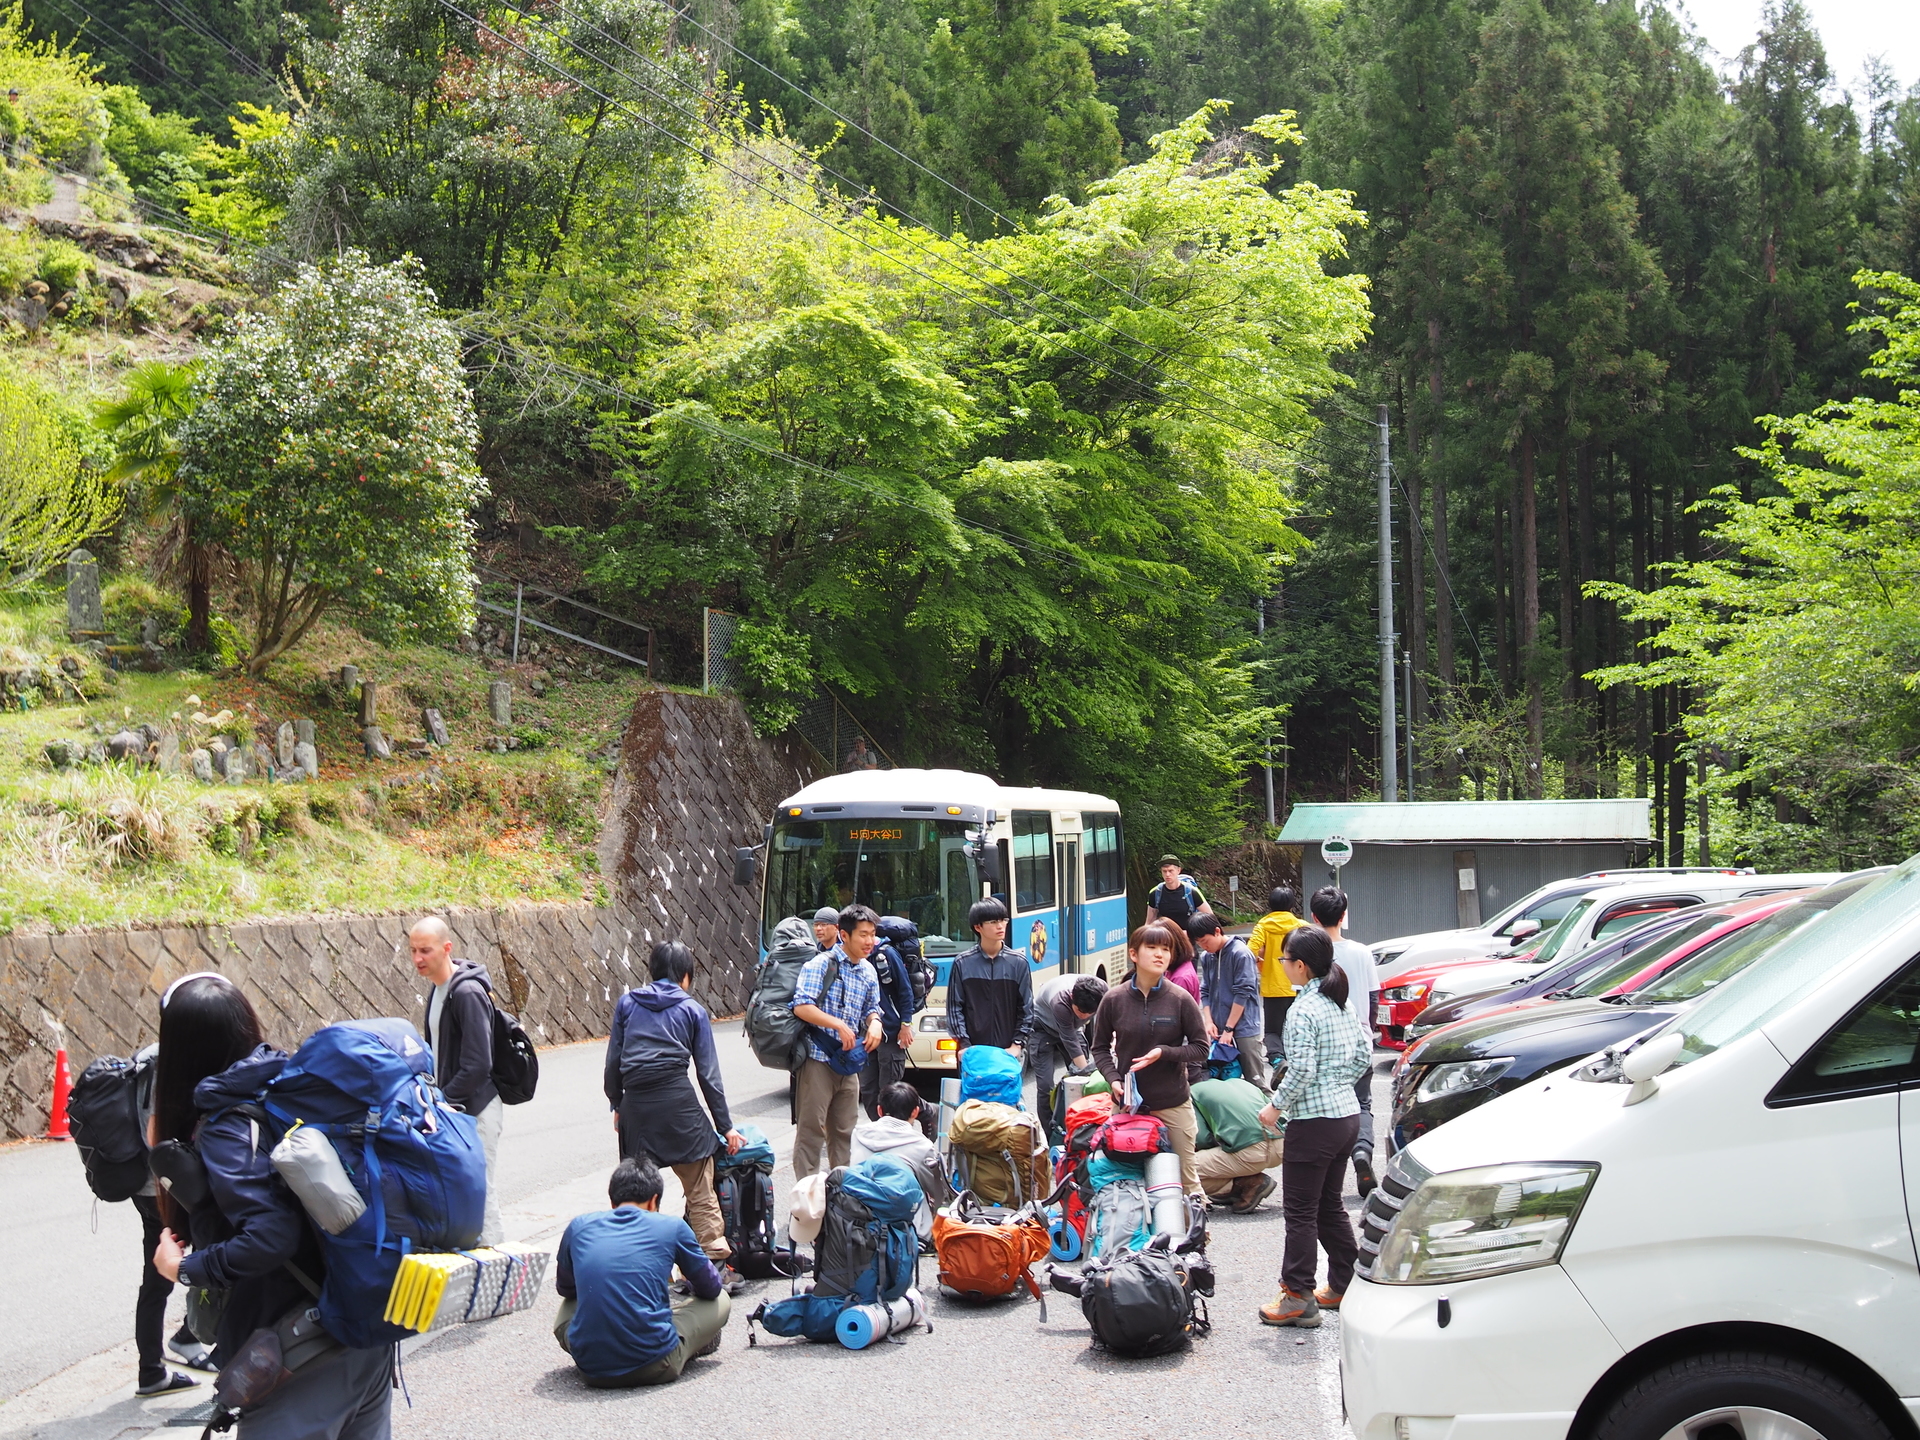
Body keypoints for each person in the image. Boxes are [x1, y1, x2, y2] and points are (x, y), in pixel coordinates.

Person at [150, 974, 393, 1437]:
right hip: (361, 1327)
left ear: (180, 1051)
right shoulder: (288, 1087)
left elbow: (271, 1235)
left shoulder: (227, 1128)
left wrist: (184, 1268)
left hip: (299, 1351)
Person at [604, 941, 747, 1284]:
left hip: (636, 1107)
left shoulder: (627, 1003)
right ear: (686, 976)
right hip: (678, 1106)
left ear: (652, 971)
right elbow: (707, 1075)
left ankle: (641, 1266)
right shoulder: (692, 1010)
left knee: (637, 1187)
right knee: (700, 1184)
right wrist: (725, 1127)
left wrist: (616, 1104)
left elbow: (613, 1063)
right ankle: (712, 1262)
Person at [1255, 927, 1371, 1329]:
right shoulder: (1340, 1003)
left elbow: (1301, 1068)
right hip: (1345, 1117)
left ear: (1301, 966)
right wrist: (1338, 1085)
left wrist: (1275, 1106)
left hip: (1314, 1122)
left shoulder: (1303, 1009)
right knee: (1328, 1205)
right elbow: (1364, 1055)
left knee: (1300, 1213)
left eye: (1286, 960)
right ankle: (1345, 1281)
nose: (1283, 966)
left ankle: (1296, 1295)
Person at [553, 1157, 731, 1388]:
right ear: (654, 1200)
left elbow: (566, 1289)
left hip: (592, 1369)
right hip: (656, 1365)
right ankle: (682, 1344)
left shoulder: (579, 1226)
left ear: (612, 1200)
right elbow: (711, 1288)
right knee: (722, 1300)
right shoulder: (672, 1226)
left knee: (570, 1303)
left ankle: (598, 1342)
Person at [1091, 927, 1210, 1196]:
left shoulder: (1180, 999)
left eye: (1166, 949)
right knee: (1120, 1179)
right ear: (1133, 954)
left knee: (1186, 1182)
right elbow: (1098, 1048)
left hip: (1172, 1102)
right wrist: (1114, 1079)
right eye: (1152, 948)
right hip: (1127, 1106)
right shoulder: (1114, 999)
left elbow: (1201, 1048)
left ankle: (1195, 1236)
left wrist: (1165, 1053)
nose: (1160, 954)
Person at [411, 916, 504, 1247]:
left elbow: (479, 1064)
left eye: (425, 950)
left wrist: (442, 1099)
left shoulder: (466, 992)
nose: (418, 958)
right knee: (462, 1192)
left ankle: (496, 1267)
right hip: (455, 1109)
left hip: (475, 1109)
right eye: (413, 951)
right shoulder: (438, 990)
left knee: (480, 1189)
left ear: (446, 948)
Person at [127, 1039, 208, 1396]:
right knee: (218, 1250)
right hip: (166, 1186)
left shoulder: (144, 1058)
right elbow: (154, 1131)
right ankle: (189, 1339)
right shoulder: (171, 1061)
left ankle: (152, 1371)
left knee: (156, 1278)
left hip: (143, 1185)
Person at [790, 904, 884, 1177]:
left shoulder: (867, 971)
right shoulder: (820, 965)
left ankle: (841, 1197)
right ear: (845, 935)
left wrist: (875, 1023)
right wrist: (837, 1024)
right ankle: (805, 1202)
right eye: (863, 935)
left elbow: (872, 1008)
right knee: (811, 1132)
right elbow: (801, 1006)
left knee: (845, 1132)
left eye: (872, 934)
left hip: (849, 1064)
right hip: (817, 1061)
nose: (870, 941)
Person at [1311, 885, 1383, 1198]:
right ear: (1344, 916)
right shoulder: (1362, 952)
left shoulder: (1310, 955)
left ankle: (1326, 1173)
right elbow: (1373, 997)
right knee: (1362, 1104)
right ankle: (1362, 1152)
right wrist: (1369, 1030)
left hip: (1325, 1048)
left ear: (1313, 917)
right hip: (1360, 1044)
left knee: (1326, 1110)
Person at [851, 1082, 953, 1239]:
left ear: (879, 1110)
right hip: (907, 1230)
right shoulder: (921, 1145)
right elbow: (937, 1190)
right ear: (915, 1112)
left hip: (858, 1221)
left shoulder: (858, 1134)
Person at [945, 896, 1035, 1054]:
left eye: (1003, 920)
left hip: (1008, 1052)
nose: (1000, 926)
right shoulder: (963, 963)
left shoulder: (1018, 962)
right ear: (978, 927)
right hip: (972, 1052)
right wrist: (964, 1044)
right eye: (993, 922)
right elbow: (954, 1007)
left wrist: (1017, 1044)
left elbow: (1026, 1008)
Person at [1190, 913, 1267, 1091]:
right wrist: (1208, 1022)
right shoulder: (1207, 957)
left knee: (1255, 1083)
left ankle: (1270, 1117)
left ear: (1217, 931)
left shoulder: (1240, 954)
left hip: (1244, 1029)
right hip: (1218, 1030)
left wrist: (1229, 1028)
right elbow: (1205, 990)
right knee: (1221, 1080)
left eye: (1205, 941)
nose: (1203, 946)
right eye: (1199, 943)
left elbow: (1243, 993)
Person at [1190, 1076, 1285, 1212]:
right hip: (1281, 1144)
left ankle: (1244, 1184)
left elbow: (1202, 1139)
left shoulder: (1191, 1094)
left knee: (1181, 1170)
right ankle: (1243, 1178)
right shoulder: (1242, 1083)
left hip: (1250, 1153)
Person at [1030, 974, 1107, 1140]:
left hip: (1072, 1030)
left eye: (1089, 1013)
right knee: (1045, 1086)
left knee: (1085, 1083)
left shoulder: (1102, 993)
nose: (1084, 1017)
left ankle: (1084, 1131)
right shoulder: (1060, 1002)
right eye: (1080, 1011)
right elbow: (1070, 1040)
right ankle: (1053, 1137)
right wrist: (1088, 1073)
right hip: (1043, 1028)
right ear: (1072, 998)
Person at [861, 919, 918, 1120]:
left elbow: (905, 991)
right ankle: (879, 1129)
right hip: (866, 1034)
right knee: (867, 1088)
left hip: (891, 1033)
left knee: (890, 1091)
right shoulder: (857, 957)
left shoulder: (887, 954)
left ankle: (922, 1114)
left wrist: (906, 1025)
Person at [1248, 887, 1306, 1066]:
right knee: (1297, 1025)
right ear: (1291, 905)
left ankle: (1277, 1058)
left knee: (1273, 1029)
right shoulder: (1301, 926)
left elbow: (1250, 950)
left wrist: (1260, 961)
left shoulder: (1263, 925)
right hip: (1298, 984)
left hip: (1273, 985)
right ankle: (1296, 1056)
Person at [1144, 856, 1212, 929]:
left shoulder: (1191, 891)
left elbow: (1210, 917)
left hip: (1188, 936)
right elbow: (1149, 922)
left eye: (1171, 871)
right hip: (1167, 937)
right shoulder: (1155, 893)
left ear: (1178, 870)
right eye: (1164, 871)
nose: (1167, 875)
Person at [1158, 920, 1202, 1005]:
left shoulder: (1180, 978)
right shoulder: (1175, 968)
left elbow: (1171, 1013)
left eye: (1164, 948)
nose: (1158, 954)